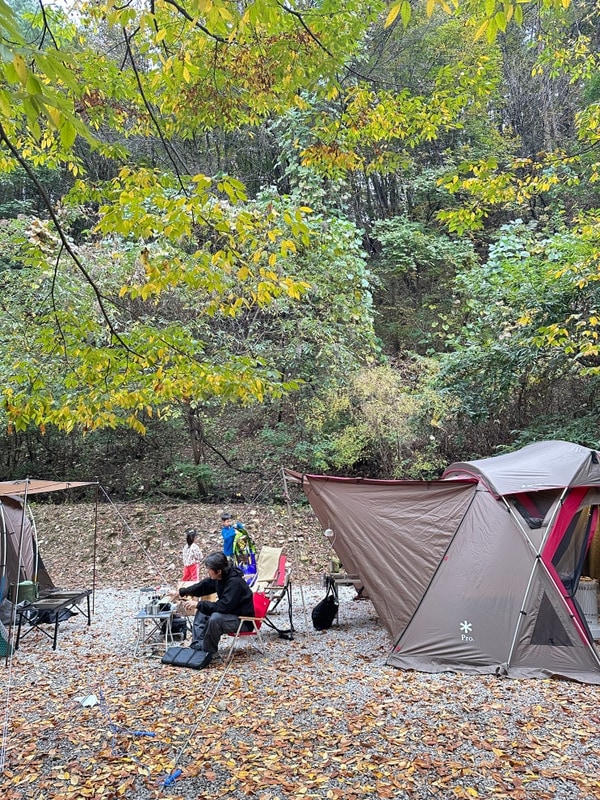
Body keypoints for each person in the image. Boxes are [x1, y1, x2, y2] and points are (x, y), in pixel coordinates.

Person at [175, 551, 255, 668]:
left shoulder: (234, 583)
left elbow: (222, 607)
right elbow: (203, 586)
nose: (208, 572)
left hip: (242, 620)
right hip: (229, 615)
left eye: (209, 570)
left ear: (219, 571)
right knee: (203, 610)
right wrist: (181, 592)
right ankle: (197, 645)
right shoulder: (220, 577)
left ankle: (210, 653)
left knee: (215, 618)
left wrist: (198, 604)